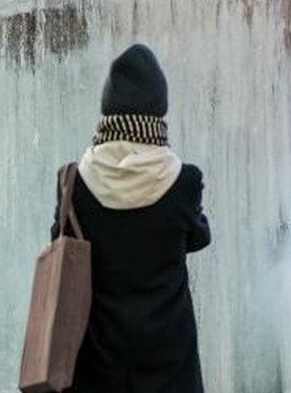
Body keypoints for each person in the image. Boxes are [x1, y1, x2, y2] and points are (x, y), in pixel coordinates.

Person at [53, 44, 211, 392]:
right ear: (159, 111)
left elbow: (59, 240)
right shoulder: (185, 181)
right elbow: (199, 238)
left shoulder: (73, 182)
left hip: (97, 354)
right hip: (168, 356)